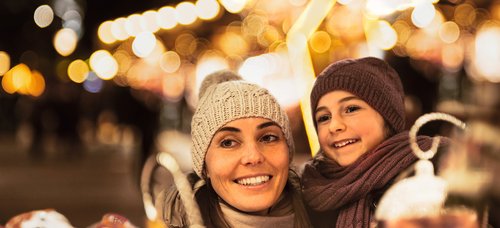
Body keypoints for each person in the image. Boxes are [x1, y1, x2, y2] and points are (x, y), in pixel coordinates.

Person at [301, 57, 451, 228]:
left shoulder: (437, 169)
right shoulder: (308, 193)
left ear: (387, 116)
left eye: (351, 109)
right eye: (324, 117)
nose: (334, 126)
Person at [156, 70, 312, 228]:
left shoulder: (327, 215)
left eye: (268, 138)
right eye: (228, 143)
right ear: (205, 166)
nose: (253, 157)